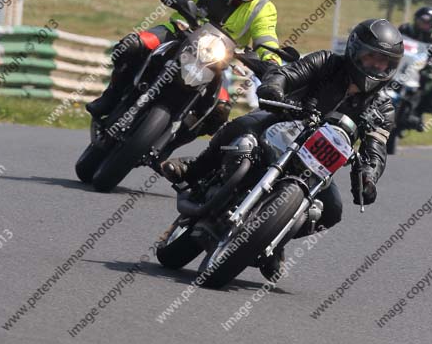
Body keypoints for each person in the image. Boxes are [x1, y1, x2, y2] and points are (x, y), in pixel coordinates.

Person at [163, 18, 403, 281]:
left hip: (317, 163)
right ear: (356, 51)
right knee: (242, 128)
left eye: (384, 62)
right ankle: (194, 167)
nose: (377, 65)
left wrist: (368, 176)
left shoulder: (383, 108)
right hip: (285, 123)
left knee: (332, 210)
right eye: (372, 57)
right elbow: (287, 74)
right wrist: (274, 88)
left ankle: (274, 241)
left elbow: (376, 148)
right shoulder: (326, 62)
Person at [86, 0, 281, 135]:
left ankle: (170, 145)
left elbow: (267, 39)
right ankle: (111, 96)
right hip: (178, 33)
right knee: (131, 46)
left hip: (216, 61)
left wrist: (271, 64)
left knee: (220, 110)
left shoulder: (264, 9)